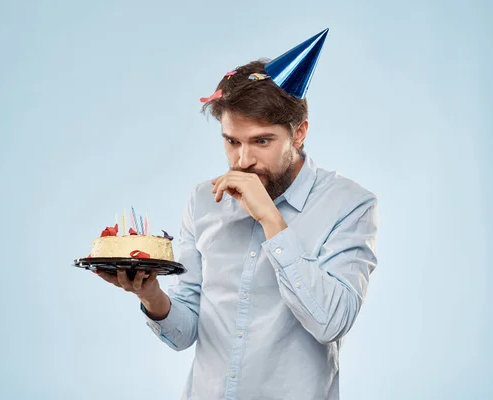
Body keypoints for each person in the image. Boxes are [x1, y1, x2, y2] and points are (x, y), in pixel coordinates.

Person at [94, 29, 379, 400]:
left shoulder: (350, 205)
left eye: (261, 141)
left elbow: (332, 322)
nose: (243, 161)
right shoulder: (203, 200)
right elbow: (184, 332)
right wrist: (152, 297)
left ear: (299, 134)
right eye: (231, 142)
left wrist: (272, 222)